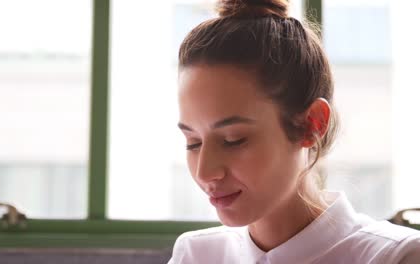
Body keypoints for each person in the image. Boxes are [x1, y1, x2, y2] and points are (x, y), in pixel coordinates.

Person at [168, 0, 420, 263]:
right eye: (193, 142)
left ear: (312, 124)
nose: (205, 172)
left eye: (234, 140)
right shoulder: (197, 254)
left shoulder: (395, 256)